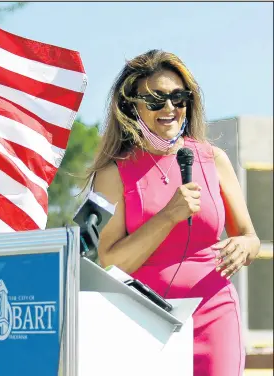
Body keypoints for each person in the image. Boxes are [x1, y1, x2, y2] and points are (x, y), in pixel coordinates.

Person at [88, 49, 261, 376]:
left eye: (178, 97)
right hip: (145, 320)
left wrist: (245, 247)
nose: (169, 108)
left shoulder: (214, 159)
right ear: (132, 106)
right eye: (155, 100)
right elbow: (109, 261)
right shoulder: (114, 175)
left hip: (214, 314)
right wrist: (168, 215)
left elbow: (249, 238)